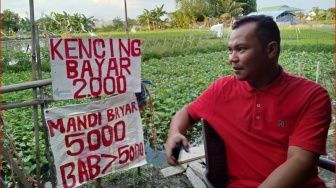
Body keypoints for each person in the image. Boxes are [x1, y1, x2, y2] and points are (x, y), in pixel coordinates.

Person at [164, 15, 331, 188]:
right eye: (230, 50)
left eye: (241, 49)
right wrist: (175, 132)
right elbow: (187, 113)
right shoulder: (221, 90)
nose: (232, 58)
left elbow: (300, 162)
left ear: (271, 50)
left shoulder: (312, 96)